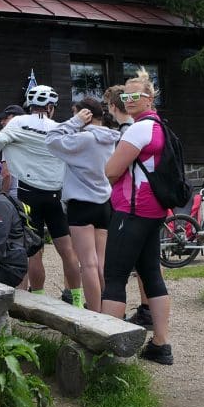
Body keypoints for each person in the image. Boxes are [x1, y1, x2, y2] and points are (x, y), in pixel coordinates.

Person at [102, 68, 174, 364]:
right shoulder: (160, 126)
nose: (129, 100)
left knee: (115, 278)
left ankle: (110, 351)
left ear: (149, 97)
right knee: (151, 274)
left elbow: (111, 170)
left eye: (136, 95)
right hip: (154, 210)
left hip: (131, 211)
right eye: (126, 95)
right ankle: (161, 344)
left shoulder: (138, 128)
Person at [0, 84, 83, 305]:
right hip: (55, 194)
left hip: (28, 192)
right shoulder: (58, 126)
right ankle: (77, 300)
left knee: (33, 250)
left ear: (30, 104)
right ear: (50, 106)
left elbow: (0, 140)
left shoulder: (18, 122)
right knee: (66, 250)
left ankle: (37, 300)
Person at [46, 97, 119, 312]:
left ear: (83, 114)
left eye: (74, 112)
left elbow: (51, 140)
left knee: (88, 263)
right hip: (104, 203)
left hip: (81, 204)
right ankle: (110, 307)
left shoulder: (84, 139)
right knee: (101, 262)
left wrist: (74, 123)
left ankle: (95, 314)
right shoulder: (111, 138)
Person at [0, 105, 24, 197]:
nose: (2, 122)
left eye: (5, 118)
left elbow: (6, 174)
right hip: (32, 193)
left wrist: (3, 194)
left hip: (14, 194)